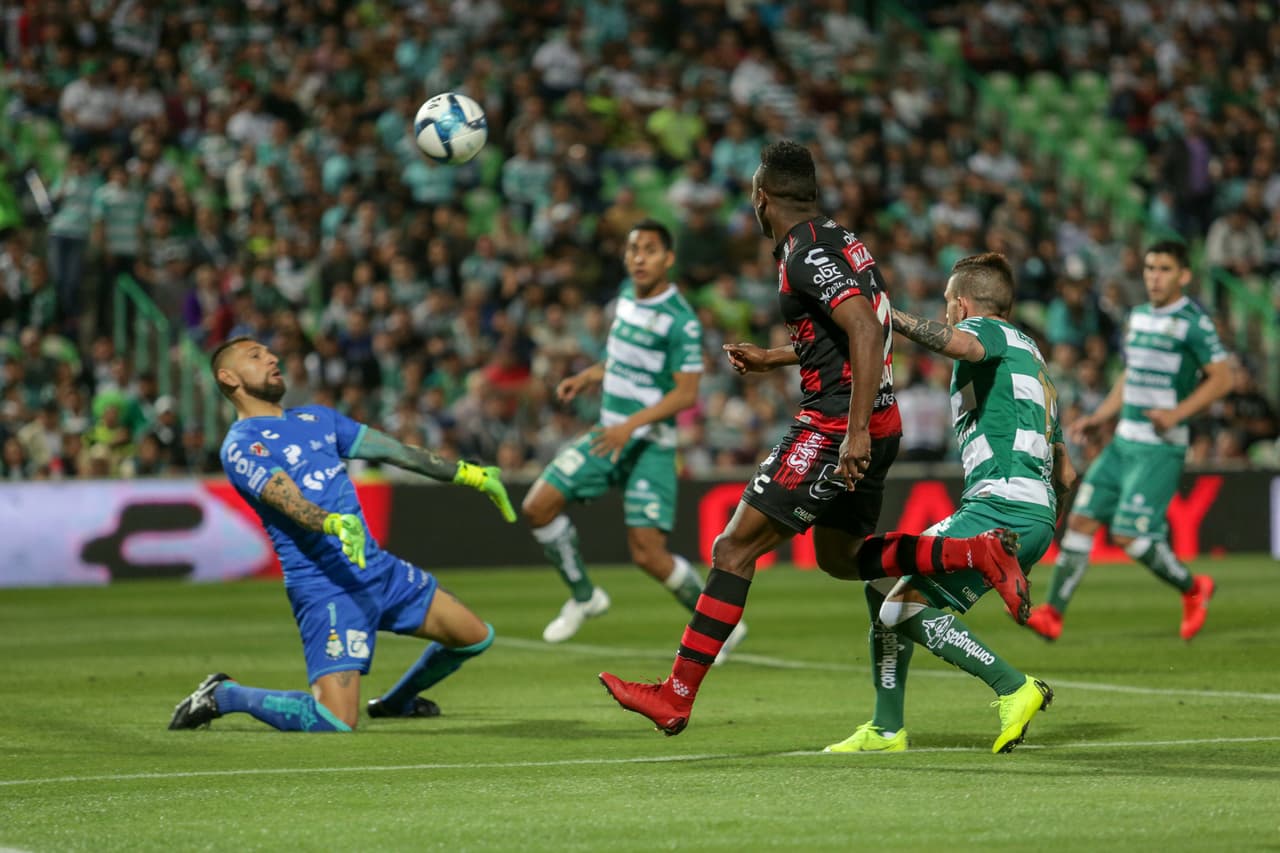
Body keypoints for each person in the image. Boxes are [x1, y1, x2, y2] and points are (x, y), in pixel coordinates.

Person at [598, 141, 1029, 738]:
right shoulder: (842, 239)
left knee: (731, 550)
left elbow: (861, 326)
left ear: (761, 196)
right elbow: (861, 323)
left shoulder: (804, 254)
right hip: (878, 419)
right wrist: (779, 357)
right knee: (840, 558)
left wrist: (851, 434)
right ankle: (972, 551)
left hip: (836, 426)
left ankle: (675, 695)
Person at [169, 336, 516, 733]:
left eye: (269, 352)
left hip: (380, 571)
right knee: (335, 721)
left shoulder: (318, 419)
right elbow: (289, 501)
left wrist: (466, 474)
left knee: (474, 637)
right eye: (256, 355)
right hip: (325, 587)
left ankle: (395, 703)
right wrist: (332, 522)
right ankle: (224, 694)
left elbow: (396, 452)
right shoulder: (243, 445)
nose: (272, 357)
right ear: (228, 377)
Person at [825, 252, 1075, 755]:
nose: (944, 314)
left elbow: (960, 342)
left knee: (897, 605)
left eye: (945, 304)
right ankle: (886, 726)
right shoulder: (1035, 362)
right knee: (881, 582)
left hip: (998, 507)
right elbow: (1066, 472)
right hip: (1033, 514)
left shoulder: (992, 333)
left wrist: (885, 314)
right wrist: (1032, 546)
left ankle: (1014, 687)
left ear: (963, 305)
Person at [521, 219, 731, 651]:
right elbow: (620, 361)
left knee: (648, 555)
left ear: (668, 259)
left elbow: (686, 394)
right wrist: (587, 376)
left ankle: (716, 627)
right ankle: (585, 596)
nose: (638, 257)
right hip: (608, 434)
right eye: (633, 248)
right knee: (538, 507)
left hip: (648, 444)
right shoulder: (625, 301)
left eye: (649, 249)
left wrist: (629, 427)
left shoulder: (682, 322)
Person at [1026, 240, 1232, 642]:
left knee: (1129, 535)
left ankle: (1194, 589)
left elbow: (1222, 378)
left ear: (1184, 275)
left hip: (1160, 446)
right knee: (1082, 520)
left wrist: (1176, 414)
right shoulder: (1137, 317)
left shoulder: (1194, 322)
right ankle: (1053, 613)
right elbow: (1130, 377)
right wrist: (1099, 416)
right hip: (1122, 442)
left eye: (1165, 269)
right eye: (1150, 267)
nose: (1154, 276)